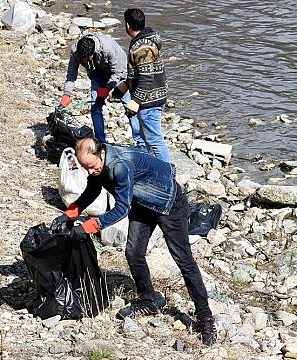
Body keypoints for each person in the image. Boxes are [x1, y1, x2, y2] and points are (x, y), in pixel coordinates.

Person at [51, 138, 217, 346]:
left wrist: (88, 227)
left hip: (168, 203)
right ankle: (148, 301)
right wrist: (70, 214)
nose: (91, 171)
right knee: (133, 253)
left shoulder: (119, 166)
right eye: (86, 168)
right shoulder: (97, 166)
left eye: (92, 166)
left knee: (183, 260)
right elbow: (92, 191)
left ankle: (205, 318)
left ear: (101, 154)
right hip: (142, 202)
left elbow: (121, 209)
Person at [111, 8, 170, 162]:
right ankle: (154, 168)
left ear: (128, 25)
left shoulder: (141, 47)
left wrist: (135, 102)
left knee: (154, 141)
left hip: (149, 100)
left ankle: (167, 174)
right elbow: (138, 74)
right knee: (148, 139)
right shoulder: (144, 41)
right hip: (154, 96)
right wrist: (122, 88)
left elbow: (146, 78)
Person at [60, 33, 127, 143]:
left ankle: (141, 142)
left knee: (128, 105)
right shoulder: (76, 51)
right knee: (95, 105)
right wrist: (67, 94)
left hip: (119, 72)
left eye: (86, 58)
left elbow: (117, 72)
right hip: (96, 72)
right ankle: (101, 141)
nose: (84, 61)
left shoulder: (108, 48)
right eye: (82, 59)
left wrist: (107, 89)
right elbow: (72, 74)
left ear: (92, 53)